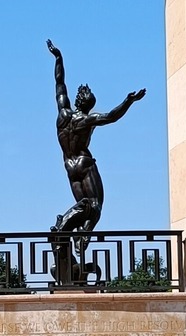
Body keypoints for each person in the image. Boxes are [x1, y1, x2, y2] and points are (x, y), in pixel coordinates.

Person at [45, 39, 145, 283]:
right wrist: (129, 101)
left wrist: (58, 58)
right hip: (84, 163)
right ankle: (81, 233)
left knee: (85, 204)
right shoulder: (86, 120)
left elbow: (60, 85)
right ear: (89, 105)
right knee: (95, 205)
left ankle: (72, 233)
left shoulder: (63, 114)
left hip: (68, 167)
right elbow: (111, 116)